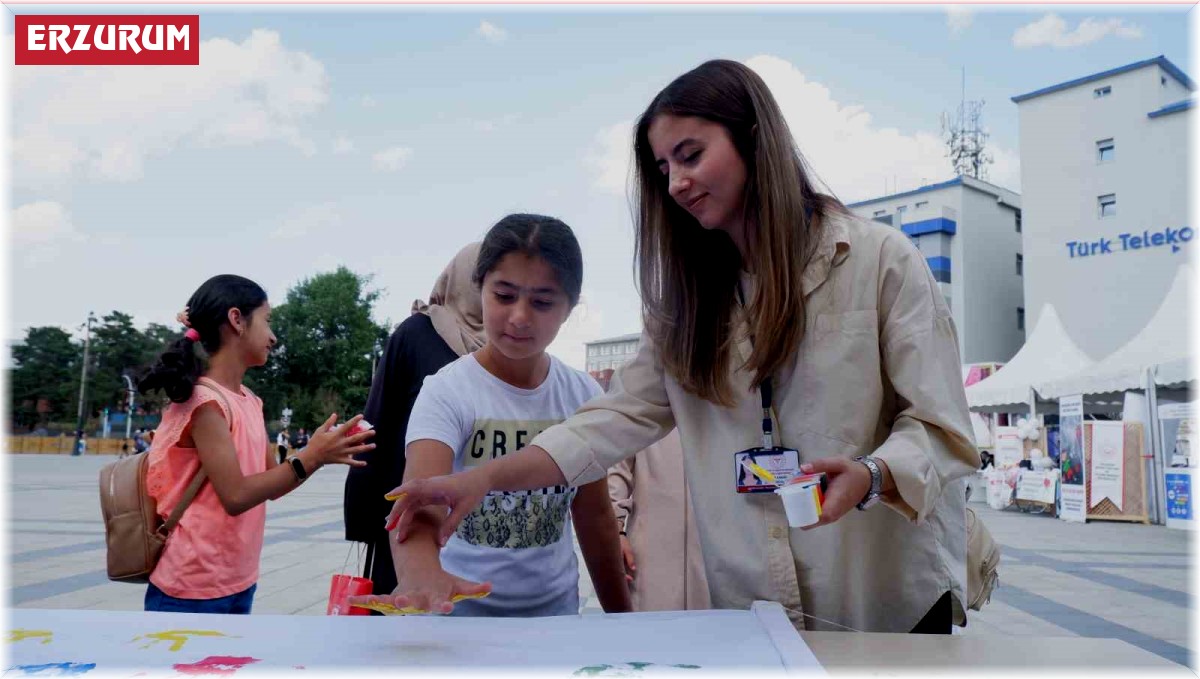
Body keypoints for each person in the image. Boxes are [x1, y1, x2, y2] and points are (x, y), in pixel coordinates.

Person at [382, 61, 978, 634]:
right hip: (751, 608)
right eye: (664, 167)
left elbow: (941, 428)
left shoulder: (879, 261)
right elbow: (606, 424)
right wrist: (484, 481)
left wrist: (871, 475)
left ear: (754, 138)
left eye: (690, 155)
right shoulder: (684, 308)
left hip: (881, 600)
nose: (677, 182)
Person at [349, 214, 630, 617]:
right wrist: (423, 575)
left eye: (542, 302)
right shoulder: (447, 390)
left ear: (569, 307)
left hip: (555, 618)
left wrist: (623, 618)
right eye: (504, 295)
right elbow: (421, 499)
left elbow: (595, 517)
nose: (519, 316)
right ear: (480, 289)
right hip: (461, 619)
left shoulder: (582, 393)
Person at [138, 274, 376, 614]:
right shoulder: (205, 403)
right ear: (237, 320)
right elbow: (235, 496)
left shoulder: (249, 400)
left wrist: (320, 455)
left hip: (238, 578)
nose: (273, 336)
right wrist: (311, 456)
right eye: (267, 320)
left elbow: (270, 484)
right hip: (192, 586)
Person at [343, 242, 486, 598]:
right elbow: (377, 419)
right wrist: (365, 516)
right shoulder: (417, 333)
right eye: (482, 280)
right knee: (408, 615)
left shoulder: (511, 348)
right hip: (411, 502)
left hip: (477, 509)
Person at [608, 427, 710, 612]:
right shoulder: (643, 403)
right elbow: (616, 466)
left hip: (716, 553)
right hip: (651, 549)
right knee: (651, 630)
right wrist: (615, 529)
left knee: (718, 631)